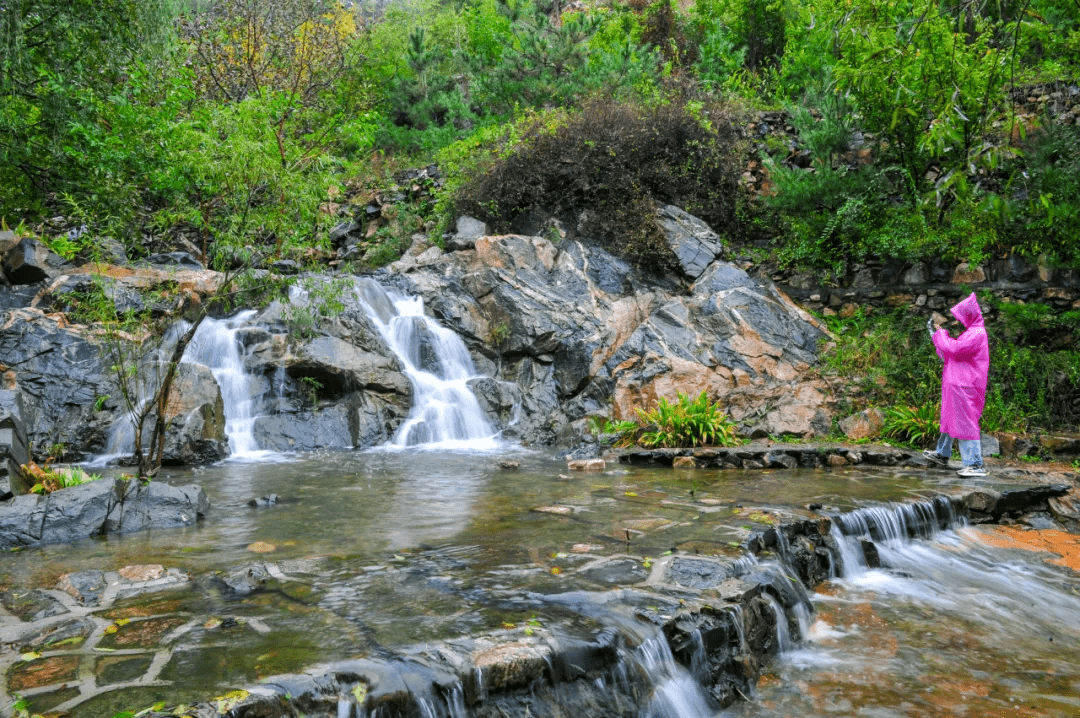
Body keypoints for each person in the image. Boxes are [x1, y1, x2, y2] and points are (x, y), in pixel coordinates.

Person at [921, 292, 990, 477]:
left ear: (969, 314)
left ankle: (975, 464)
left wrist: (940, 333)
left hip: (965, 385)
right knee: (950, 418)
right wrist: (935, 336)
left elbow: (954, 348)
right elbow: (949, 354)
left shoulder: (976, 333)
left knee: (965, 422)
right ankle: (942, 454)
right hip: (958, 383)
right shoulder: (970, 333)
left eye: (961, 315)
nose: (958, 320)